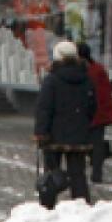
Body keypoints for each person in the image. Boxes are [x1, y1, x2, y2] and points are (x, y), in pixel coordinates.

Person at [34, 40, 97, 209]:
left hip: (54, 135)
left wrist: (41, 132)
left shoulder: (52, 80)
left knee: (51, 174)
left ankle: (48, 208)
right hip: (79, 135)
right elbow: (92, 106)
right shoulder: (86, 78)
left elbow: (44, 108)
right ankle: (82, 207)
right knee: (78, 175)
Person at [78, 42, 112, 184]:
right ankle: (96, 173)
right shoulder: (98, 69)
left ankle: (94, 172)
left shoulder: (90, 71)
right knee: (97, 144)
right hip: (98, 114)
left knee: (92, 144)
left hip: (91, 114)